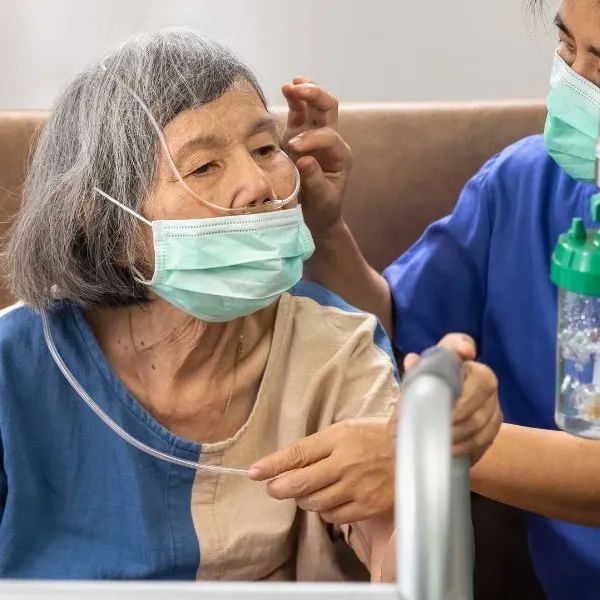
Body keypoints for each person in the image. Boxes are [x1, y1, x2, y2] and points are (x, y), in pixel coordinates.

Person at [0, 28, 498, 581]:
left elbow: (406, 568)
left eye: (265, 149)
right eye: (203, 166)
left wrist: (430, 462)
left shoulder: (336, 352)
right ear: (106, 223)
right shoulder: (13, 364)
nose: (259, 183)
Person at [260, 0, 600, 597]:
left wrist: (420, 447)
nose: (574, 85)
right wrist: (324, 229)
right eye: (568, 50)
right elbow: (392, 331)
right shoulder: (526, 188)